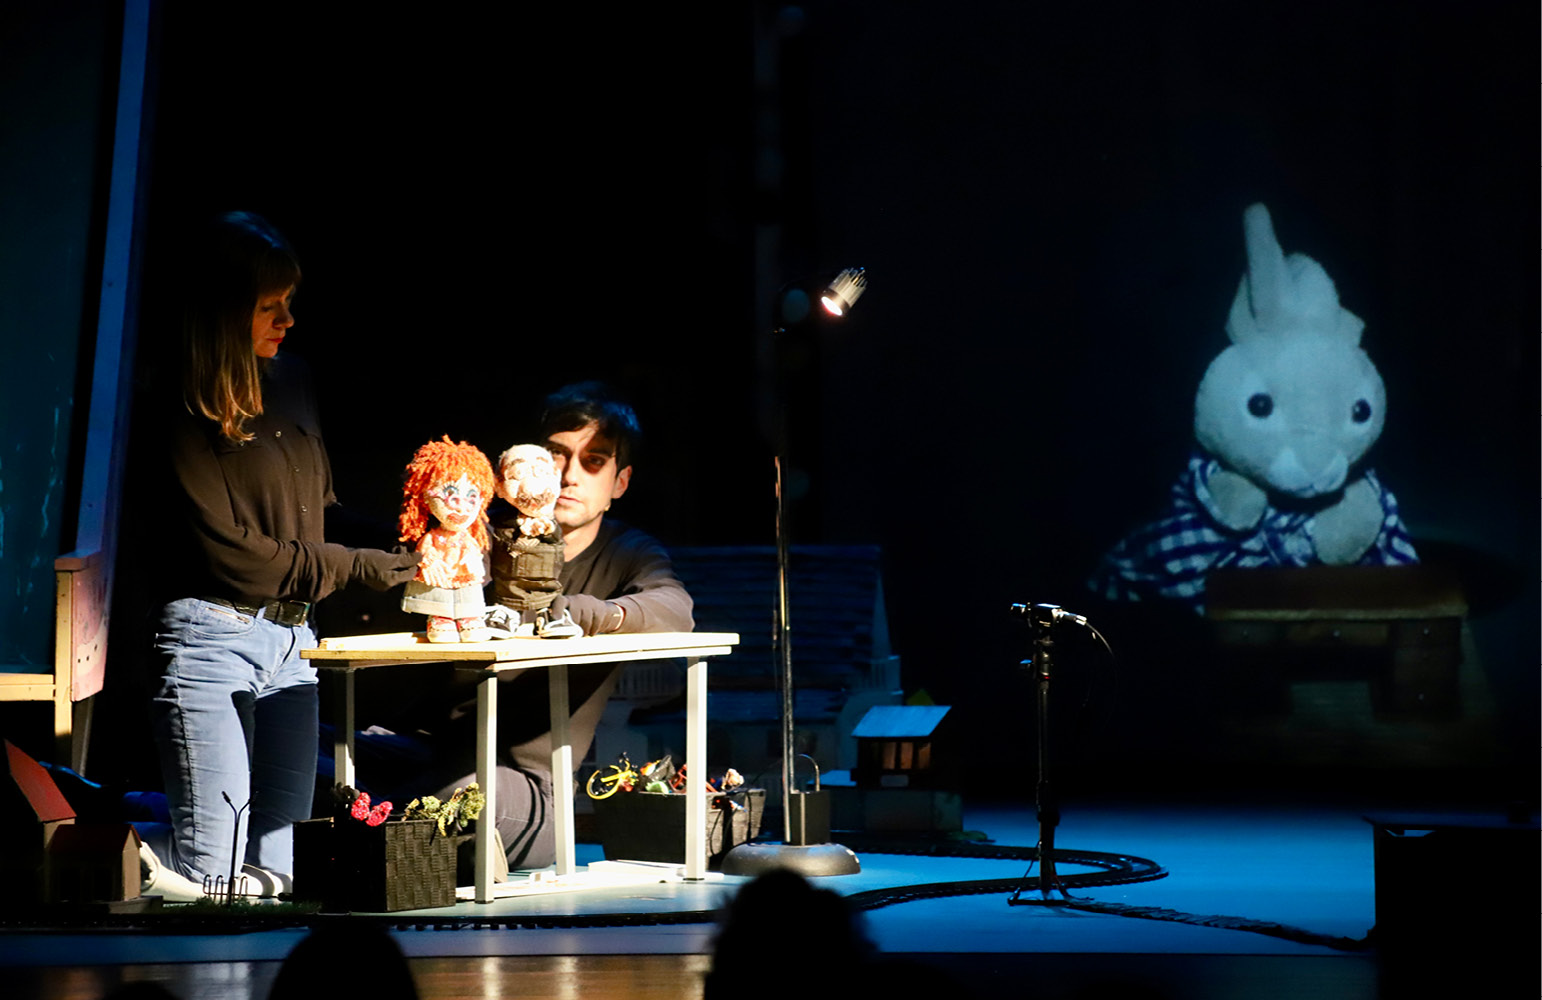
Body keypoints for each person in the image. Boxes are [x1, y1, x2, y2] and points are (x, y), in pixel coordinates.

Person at [141, 212, 419, 897]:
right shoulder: (181, 401)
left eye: (289, 303)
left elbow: (320, 515)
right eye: (270, 306)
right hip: (211, 637)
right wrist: (357, 566)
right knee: (214, 875)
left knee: (282, 871)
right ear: (224, 310)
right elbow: (233, 555)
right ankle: (102, 834)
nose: (288, 320)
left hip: (293, 641)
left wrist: (417, 537)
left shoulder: (293, 378)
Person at [418, 381, 694, 869]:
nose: (567, 477)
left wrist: (587, 613)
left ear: (620, 483)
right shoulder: (476, 533)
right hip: (425, 749)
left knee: (458, 797)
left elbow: (675, 608)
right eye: (554, 457)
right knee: (323, 764)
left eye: (594, 461)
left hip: (527, 787)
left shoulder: (626, 551)